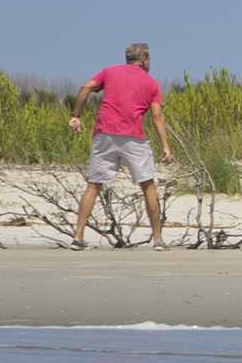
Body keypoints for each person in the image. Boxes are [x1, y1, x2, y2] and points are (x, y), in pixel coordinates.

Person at [68, 42, 174, 250]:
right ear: (144, 60)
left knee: (94, 184)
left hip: (104, 134)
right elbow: (157, 116)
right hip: (133, 138)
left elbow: (85, 87)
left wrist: (76, 116)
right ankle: (158, 239)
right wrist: (166, 147)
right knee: (147, 185)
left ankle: (78, 237)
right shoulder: (151, 83)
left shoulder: (109, 72)